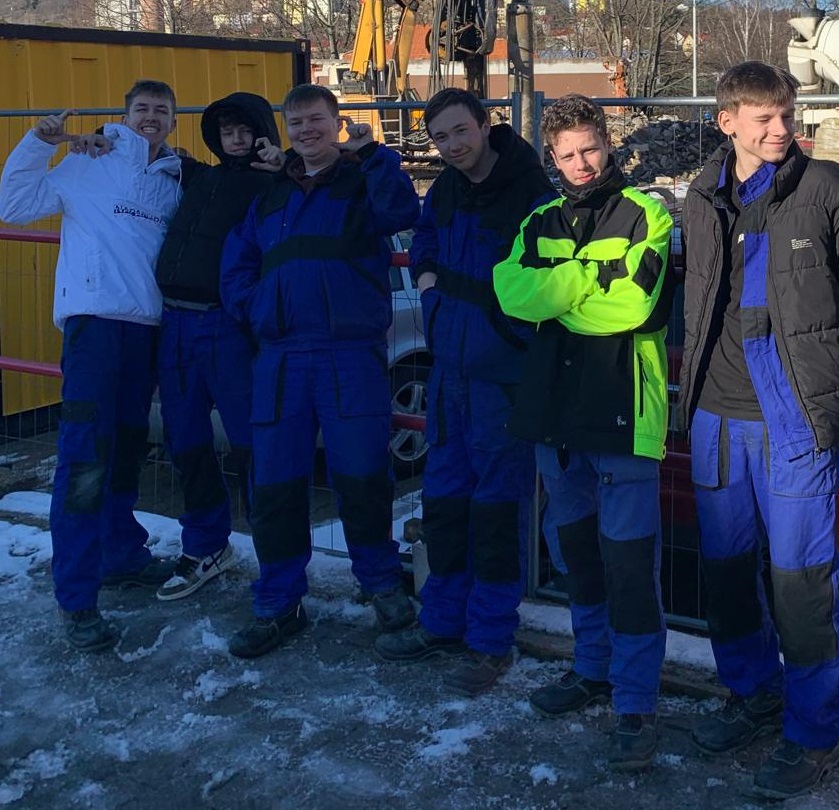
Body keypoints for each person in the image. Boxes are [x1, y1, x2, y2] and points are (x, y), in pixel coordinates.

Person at [677, 61, 839, 799]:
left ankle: (812, 730)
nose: (780, 129)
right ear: (727, 121)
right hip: (715, 412)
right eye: (763, 118)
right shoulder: (701, 195)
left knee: (802, 581)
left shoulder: (829, 189)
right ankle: (750, 692)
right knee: (726, 570)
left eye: (786, 115)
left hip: (793, 414)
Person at [494, 94, 673, 771]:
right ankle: (591, 668)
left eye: (590, 148)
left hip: (623, 412)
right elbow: (511, 294)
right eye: (566, 154)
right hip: (555, 413)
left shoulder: (647, 213)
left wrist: (557, 290)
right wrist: (587, 277)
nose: (580, 163)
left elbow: (631, 307)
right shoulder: (537, 219)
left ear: (608, 142)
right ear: (552, 155)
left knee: (630, 566)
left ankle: (636, 701)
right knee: (577, 556)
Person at [219, 83, 421, 658]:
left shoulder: (361, 181)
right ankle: (278, 602)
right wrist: (256, 307)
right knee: (275, 484)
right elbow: (238, 262)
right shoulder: (272, 194)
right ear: (286, 131)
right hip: (282, 357)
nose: (306, 131)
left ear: (336, 124)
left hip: (348, 354)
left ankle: (381, 585)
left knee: (363, 477)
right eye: (296, 123)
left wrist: (375, 155)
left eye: (316, 121)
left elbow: (402, 212)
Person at [375, 89, 556, 697]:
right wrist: (428, 285)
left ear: (485, 124)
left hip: (503, 378)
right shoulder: (448, 189)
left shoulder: (530, 192)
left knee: (498, 513)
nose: (452, 145)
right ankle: (442, 620)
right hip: (450, 374)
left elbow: (548, 279)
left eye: (461, 131)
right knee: (446, 504)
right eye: (440, 137)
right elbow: (425, 237)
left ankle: (490, 639)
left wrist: (507, 332)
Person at [0, 80, 185, 652]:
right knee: (84, 460)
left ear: (172, 121)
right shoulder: (88, 161)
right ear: (125, 116)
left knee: (126, 451)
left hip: (145, 332)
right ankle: (77, 596)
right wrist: (39, 142)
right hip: (94, 329)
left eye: (161, 110)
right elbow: (14, 205)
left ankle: (120, 554)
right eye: (141, 109)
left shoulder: (174, 181)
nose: (151, 117)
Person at [149, 92, 282, 601]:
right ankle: (206, 545)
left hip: (229, 329)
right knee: (185, 441)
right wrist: (101, 140)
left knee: (252, 445)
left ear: (262, 133)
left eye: (245, 130)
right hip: (175, 324)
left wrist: (284, 164)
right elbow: (144, 150)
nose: (236, 139)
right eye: (227, 131)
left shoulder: (273, 184)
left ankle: (276, 557)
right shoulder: (198, 177)